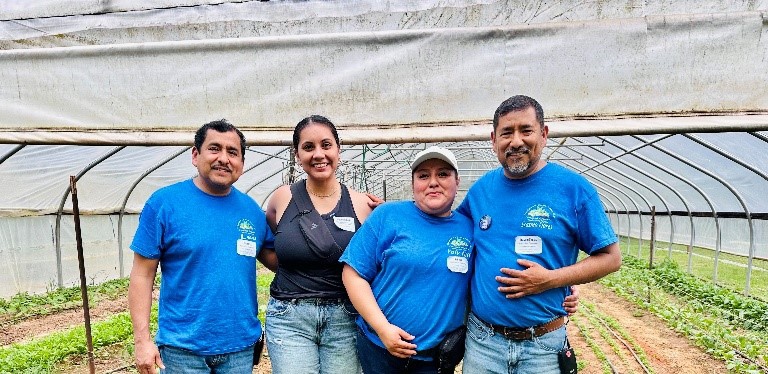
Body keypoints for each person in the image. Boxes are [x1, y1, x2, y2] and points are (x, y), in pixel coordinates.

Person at [457, 95, 622, 374]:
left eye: (526, 130)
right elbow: (451, 235)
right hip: (483, 342)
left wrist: (551, 280)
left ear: (543, 135)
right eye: (506, 132)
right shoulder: (481, 190)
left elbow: (610, 258)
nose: (516, 141)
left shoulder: (573, 189)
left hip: (543, 346)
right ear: (493, 139)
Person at [128, 120, 274, 374]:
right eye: (214, 149)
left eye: (233, 152)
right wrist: (142, 341)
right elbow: (142, 274)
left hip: (239, 348)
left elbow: (282, 260)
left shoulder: (252, 212)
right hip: (182, 349)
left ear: (242, 163)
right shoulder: (165, 203)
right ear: (195, 155)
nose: (223, 159)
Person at [340, 146, 473, 374]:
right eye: (423, 175)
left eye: (443, 174)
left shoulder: (469, 228)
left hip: (436, 358)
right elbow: (353, 274)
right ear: (413, 184)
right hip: (380, 348)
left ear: (457, 181)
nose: (433, 182)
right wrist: (383, 328)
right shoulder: (388, 215)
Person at [260, 115, 376, 374]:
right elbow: (267, 244)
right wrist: (294, 271)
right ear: (297, 155)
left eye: (326, 145)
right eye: (308, 147)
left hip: (345, 317)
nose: (318, 154)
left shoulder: (362, 205)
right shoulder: (282, 198)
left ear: (338, 149)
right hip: (289, 317)